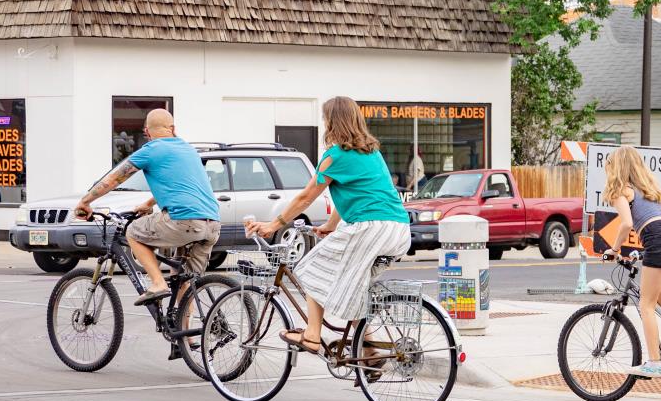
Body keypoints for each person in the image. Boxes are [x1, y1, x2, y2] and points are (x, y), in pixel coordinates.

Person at [245, 96, 409, 354]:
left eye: (325, 119)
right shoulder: (372, 152)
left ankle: (311, 334)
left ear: (333, 122)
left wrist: (273, 224)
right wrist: (332, 225)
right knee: (353, 283)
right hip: (398, 229)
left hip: (370, 229)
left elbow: (305, 197)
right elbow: (359, 194)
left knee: (310, 270)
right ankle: (369, 350)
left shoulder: (334, 156)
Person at [72, 109, 220, 315]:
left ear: (147, 132)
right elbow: (181, 186)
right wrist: (149, 202)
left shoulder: (151, 149)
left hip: (183, 221)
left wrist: (85, 202)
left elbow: (114, 179)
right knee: (183, 279)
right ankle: (186, 340)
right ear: (173, 129)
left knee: (133, 231)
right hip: (212, 224)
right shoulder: (188, 150)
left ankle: (158, 283)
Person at [599, 145, 661, 378]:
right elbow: (658, 222)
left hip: (659, 242)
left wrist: (614, 249)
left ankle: (654, 362)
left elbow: (627, 224)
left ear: (615, 168)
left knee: (646, 305)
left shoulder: (621, 190)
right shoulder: (648, 190)